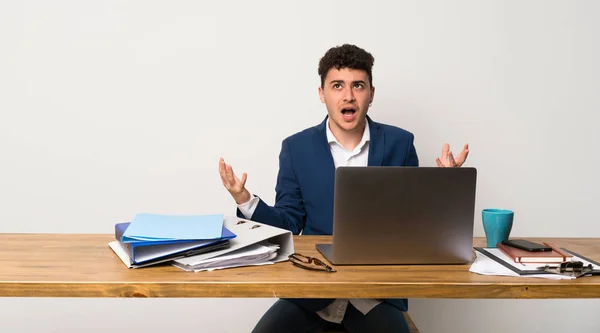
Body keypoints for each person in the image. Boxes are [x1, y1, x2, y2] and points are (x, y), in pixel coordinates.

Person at [218, 44, 469, 333]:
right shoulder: (296, 148)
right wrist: (245, 199)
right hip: (312, 292)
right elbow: (288, 222)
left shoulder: (400, 143)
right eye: (337, 85)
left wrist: (445, 186)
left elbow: (415, 226)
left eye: (358, 86)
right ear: (322, 94)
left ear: (371, 94)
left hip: (375, 294)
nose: (348, 95)